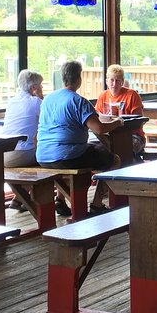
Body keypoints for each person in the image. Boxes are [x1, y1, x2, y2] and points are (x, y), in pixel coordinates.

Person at [37, 61, 122, 215]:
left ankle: (60, 199)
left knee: (86, 151)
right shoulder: (79, 101)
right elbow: (98, 128)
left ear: (63, 78)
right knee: (114, 160)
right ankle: (97, 204)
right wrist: (118, 122)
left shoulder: (48, 99)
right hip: (69, 156)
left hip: (43, 156)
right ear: (79, 79)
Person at [94, 64, 145, 157]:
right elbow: (96, 117)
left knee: (123, 149)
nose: (114, 84)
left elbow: (139, 121)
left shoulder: (132, 95)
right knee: (96, 149)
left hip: (133, 135)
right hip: (109, 135)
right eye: (112, 80)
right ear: (106, 81)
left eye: (117, 81)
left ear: (122, 82)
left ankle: (128, 163)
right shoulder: (103, 96)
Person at [3, 70, 44, 168]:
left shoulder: (11, 102)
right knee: (56, 153)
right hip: (21, 154)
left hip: (3, 154)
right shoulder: (36, 102)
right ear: (34, 88)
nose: (42, 87)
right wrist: (41, 98)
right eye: (40, 84)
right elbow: (52, 119)